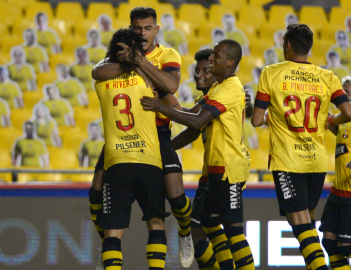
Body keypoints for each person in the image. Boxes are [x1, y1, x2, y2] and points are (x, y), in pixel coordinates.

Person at [91, 7, 194, 269]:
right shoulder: (116, 59)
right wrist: (129, 61)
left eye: (148, 28)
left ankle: (185, 229)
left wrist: (138, 61)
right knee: (95, 190)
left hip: (156, 133)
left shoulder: (167, 55)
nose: (143, 33)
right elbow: (97, 71)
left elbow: (171, 88)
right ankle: (105, 240)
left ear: (156, 30)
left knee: (176, 196)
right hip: (123, 135)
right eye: (137, 28)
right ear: (131, 29)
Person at [142, 40, 255, 270]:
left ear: (230, 62)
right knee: (204, 224)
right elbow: (192, 119)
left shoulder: (230, 88)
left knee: (233, 230)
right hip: (214, 170)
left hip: (229, 169)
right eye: (209, 58)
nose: (211, 61)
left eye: (216, 57)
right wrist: (164, 149)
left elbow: (198, 120)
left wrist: (159, 107)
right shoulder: (217, 89)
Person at [252, 24, 351, 270]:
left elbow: (255, 120)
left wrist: (268, 117)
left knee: (302, 229)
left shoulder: (271, 73)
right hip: (317, 162)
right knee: (310, 225)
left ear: (287, 45)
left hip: (288, 160)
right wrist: (331, 120)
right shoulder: (327, 76)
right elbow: (348, 112)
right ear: (309, 47)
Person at [95, 28, 168, 270]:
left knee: (113, 232)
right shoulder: (149, 79)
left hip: (117, 162)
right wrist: (137, 63)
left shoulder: (102, 80)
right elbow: (170, 89)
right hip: (149, 160)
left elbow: (97, 70)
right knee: (156, 223)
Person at [320, 76, 351, 270]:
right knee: (330, 243)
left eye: (348, 92)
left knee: (345, 247)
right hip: (337, 193)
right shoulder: (342, 122)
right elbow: (323, 121)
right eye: (342, 92)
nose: (344, 96)